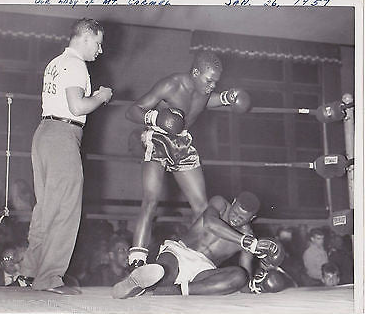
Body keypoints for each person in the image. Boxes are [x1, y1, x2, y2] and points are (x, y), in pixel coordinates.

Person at [125, 51, 251, 267]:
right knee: (151, 199)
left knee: (202, 207)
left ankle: (193, 260)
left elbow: (202, 101)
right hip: (159, 140)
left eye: (216, 82)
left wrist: (225, 98)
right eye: (209, 80)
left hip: (183, 143)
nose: (212, 86)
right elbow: (132, 111)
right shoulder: (171, 85)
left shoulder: (204, 89)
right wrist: (156, 117)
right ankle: (137, 262)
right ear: (195, 72)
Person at [17, 18, 113, 295]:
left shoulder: (55, 63)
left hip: (44, 133)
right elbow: (77, 105)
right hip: (62, 135)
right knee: (66, 208)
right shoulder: (76, 65)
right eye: (98, 43)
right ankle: (49, 277)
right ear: (85, 37)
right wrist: (102, 96)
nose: (100, 50)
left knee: (46, 207)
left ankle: (29, 272)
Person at [112, 192, 285, 299]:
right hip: (179, 252)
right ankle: (140, 282)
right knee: (164, 271)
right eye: (235, 212)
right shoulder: (220, 203)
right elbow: (210, 223)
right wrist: (246, 242)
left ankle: (171, 290)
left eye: (242, 218)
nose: (236, 218)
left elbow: (244, 274)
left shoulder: (249, 236)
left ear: (252, 219)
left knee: (239, 276)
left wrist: (260, 280)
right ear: (233, 203)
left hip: (203, 271)